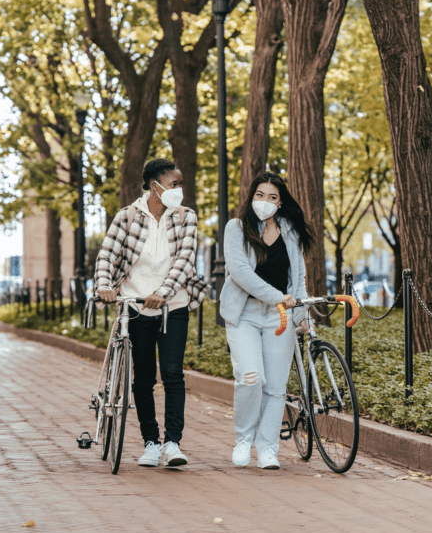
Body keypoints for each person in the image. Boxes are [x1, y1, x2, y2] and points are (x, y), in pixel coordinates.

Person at [93, 159, 206, 468]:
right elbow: (107, 254)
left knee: (172, 373)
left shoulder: (186, 217)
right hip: (134, 306)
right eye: (174, 184)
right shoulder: (127, 217)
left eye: (181, 184)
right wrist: (104, 285)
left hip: (174, 305)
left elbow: (184, 260)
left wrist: (163, 293)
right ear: (155, 185)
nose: (179, 190)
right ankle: (151, 442)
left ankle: (172, 443)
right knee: (143, 379)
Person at [221, 172, 313, 470]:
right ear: (251, 197)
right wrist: (276, 296)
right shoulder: (236, 228)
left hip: (280, 315)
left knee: (275, 386)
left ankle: (268, 447)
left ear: (280, 201)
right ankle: (244, 439)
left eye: (272, 197)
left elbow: (297, 279)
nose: (265, 201)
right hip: (244, 313)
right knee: (251, 377)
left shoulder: (290, 231)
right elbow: (240, 272)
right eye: (260, 195)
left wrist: (302, 316)